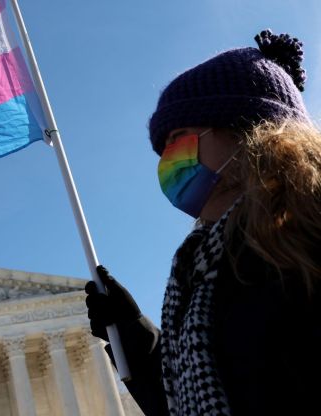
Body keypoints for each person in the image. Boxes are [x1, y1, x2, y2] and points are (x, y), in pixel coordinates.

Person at [85, 29, 321, 415]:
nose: (169, 159)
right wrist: (133, 336)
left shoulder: (302, 242)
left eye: (178, 137)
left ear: (247, 132)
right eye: (164, 149)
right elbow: (198, 399)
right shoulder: (203, 270)